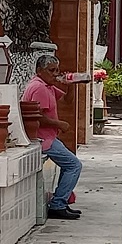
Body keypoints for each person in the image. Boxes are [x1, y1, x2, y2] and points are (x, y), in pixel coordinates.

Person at [22, 55, 83, 220]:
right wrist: (59, 124)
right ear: (39, 71)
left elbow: (67, 101)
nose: (55, 74)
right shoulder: (39, 88)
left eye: (57, 70)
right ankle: (58, 204)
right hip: (43, 139)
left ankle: (60, 201)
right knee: (74, 165)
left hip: (48, 137)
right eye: (51, 70)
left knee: (70, 165)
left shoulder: (47, 86)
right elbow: (38, 116)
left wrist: (71, 86)